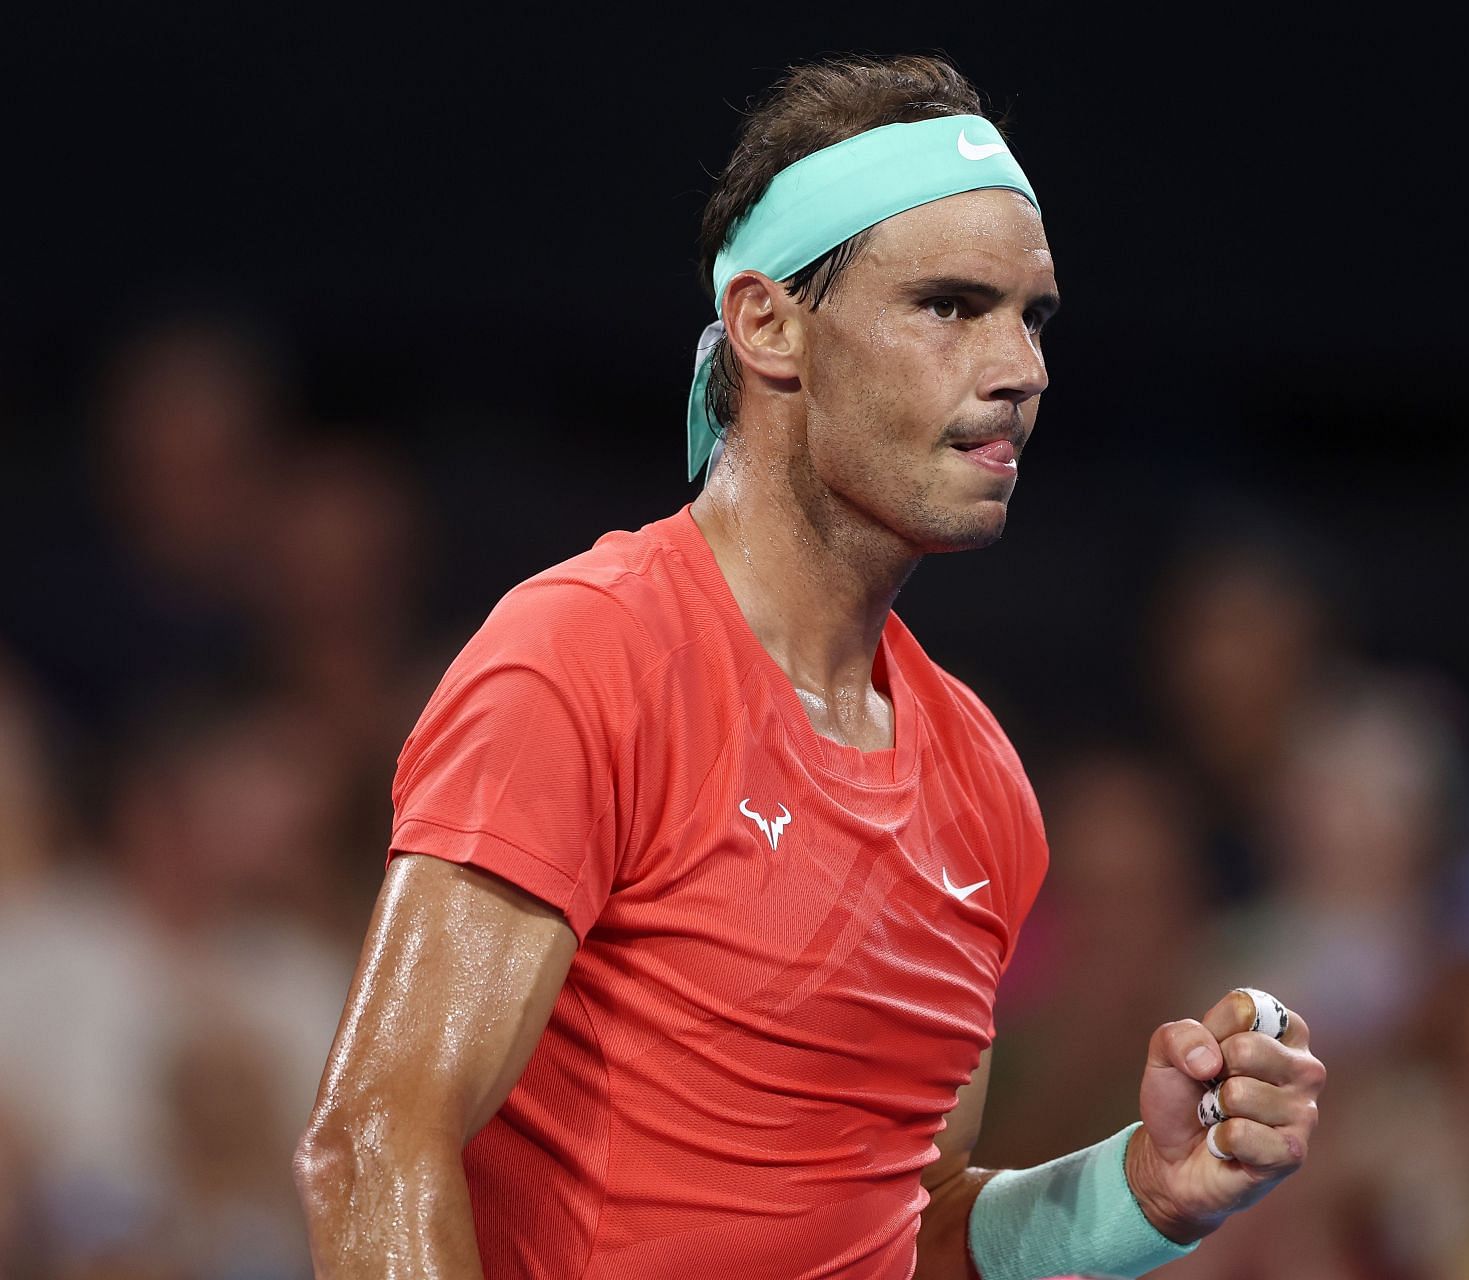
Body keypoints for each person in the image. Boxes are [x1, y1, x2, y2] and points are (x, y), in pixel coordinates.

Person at [294, 54, 1324, 1280]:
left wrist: (1139, 1193)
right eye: (950, 304)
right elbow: (374, 1144)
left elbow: (906, 1228)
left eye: (1030, 315)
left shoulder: (984, 788)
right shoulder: (583, 661)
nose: (1022, 370)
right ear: (768, 324)